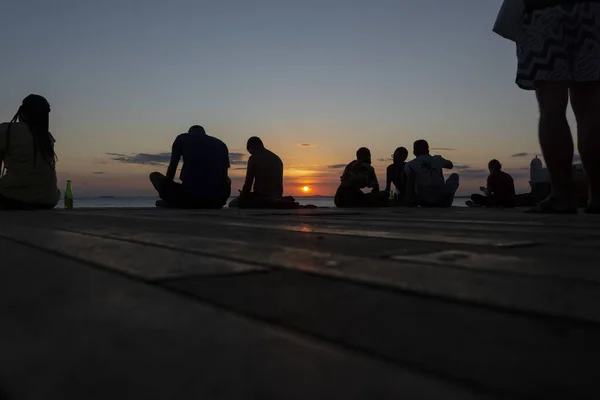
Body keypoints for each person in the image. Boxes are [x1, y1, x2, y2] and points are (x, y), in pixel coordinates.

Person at [517, 0, 600, 213]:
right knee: (591, 107)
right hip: (590, 12)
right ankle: (598, 196)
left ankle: (563, 195)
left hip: (544, 10)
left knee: (551, 105)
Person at [0, 94, 60, 210]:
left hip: (14, 198)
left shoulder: (8, 130)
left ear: (22, 112)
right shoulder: (47, 139)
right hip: (49, 200)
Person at [149, 125, 231, 209]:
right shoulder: (221, 144)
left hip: (189, 196)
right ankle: (207, 201)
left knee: (154, 175)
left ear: (189, 132)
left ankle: (176, 202)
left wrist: (167, 190)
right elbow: (224, 176)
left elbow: (172, 167)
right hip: (216, 200)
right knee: (228, 179)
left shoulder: (182, 138)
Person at [229, 137, 284, 208]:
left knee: (232, 204)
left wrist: (243, 195)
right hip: (277, 197)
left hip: (262, 198)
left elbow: (248, 182)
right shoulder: (277, 158)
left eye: (250, 151)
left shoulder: (254, 158)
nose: (250, 154)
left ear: (252, 147)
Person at [404, 140, 459, 207]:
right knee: (455, 176)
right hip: (439, 196)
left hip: (423, 199)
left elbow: (409, 183)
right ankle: (446, 200)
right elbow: (450, 165)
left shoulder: (409, 164)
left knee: (411, 176)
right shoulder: (437, 159)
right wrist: (438, 163)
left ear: (414, 152)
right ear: (428, 150)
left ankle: (414, 201)